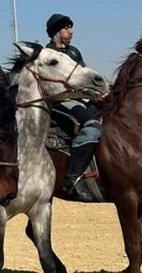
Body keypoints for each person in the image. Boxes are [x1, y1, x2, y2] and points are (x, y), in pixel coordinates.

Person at [45, 13, 101, 200]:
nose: (70, 31)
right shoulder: (48, 55)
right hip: (59, 101)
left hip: (79, 100)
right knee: (92, 128)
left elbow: (85, 76)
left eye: (70, 28)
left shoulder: (74, 52)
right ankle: (73, 178)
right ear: (55, 32)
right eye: (66, 28)